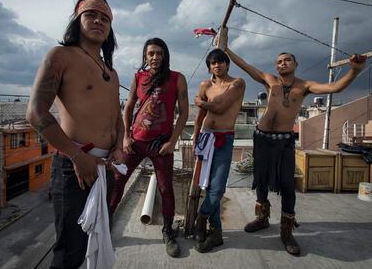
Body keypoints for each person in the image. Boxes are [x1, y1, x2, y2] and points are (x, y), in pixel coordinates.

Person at [219, 27, 366, 255]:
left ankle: (286, 231)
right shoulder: (269, 81)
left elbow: (334, 87)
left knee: (288, 185)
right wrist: (226, 48)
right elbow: (246, 66)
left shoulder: (305, 86)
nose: (282, 63)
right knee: (261, 180)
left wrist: (354, 72)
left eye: (287, 60)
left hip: (284, 141)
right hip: (262, 138)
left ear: (295, 65)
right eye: (279, 61)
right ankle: (262, 218)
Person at [26, 0, 124, 269]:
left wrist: (118, 146)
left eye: (105, 18)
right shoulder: (61, 56)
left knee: (97, 240)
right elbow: (35, 112)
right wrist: (76, 156)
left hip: (106, 167)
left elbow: (117, 116)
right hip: (74, 167)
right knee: (70, 251)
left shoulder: (111, 72)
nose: (98, 21)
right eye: (91, 15)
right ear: (77, 21)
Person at [109, 38, 189, 257]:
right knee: (118, 181)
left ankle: (167, 231)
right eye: (151, 53)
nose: (155, 57)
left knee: (165, 188)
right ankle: (105, 224)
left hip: (160, 144)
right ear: (145, 56)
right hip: (135, 142)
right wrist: (126, 136)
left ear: (165, 56)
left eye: (159, 53)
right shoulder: (138, 78)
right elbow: (128, 107)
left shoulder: (177, 78)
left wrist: (172, 141)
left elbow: (184, 112)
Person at [191, 48, 245, 253]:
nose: (217, 65)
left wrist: (201, 101)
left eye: (221, 62)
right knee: (206, 184)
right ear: (209, 67)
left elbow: (221, 107)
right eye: (213, 63)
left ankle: (201, 217)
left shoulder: (237, 83)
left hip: (224, 137)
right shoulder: (205, 85)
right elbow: (200, 116)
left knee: (218, 187)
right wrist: (195, 138)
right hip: (205, 137)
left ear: (227, 64)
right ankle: (216, 233)